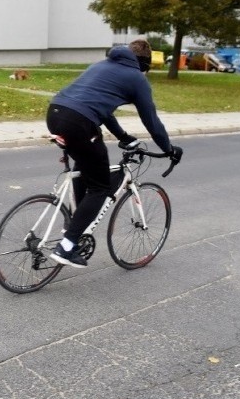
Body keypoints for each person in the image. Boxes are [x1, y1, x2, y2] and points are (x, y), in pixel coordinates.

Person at [46, 41, 182, 268]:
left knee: (84, 169)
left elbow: (104, 111)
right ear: (144, 64)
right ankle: (67, 245)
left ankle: (73, 227)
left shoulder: (102, 65)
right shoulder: (136, 77)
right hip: (79, 123)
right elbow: (151, 121)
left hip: (56, 112)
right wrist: (168, 149)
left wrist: (124, 137)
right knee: (100, 187)